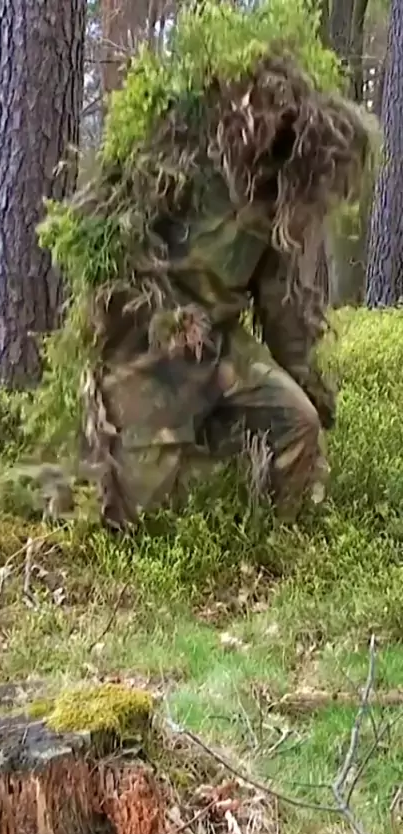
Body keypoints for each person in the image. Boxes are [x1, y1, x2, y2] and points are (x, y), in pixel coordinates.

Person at [41, 51, 375, 531]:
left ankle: (274, 539)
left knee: (297, 423)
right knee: (130, 514)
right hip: (148, 347)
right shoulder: (183, 160)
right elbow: (115, 248)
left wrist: (307, 382)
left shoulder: (274, 201)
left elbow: (279, 301)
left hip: (220, 345)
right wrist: (161, 317)